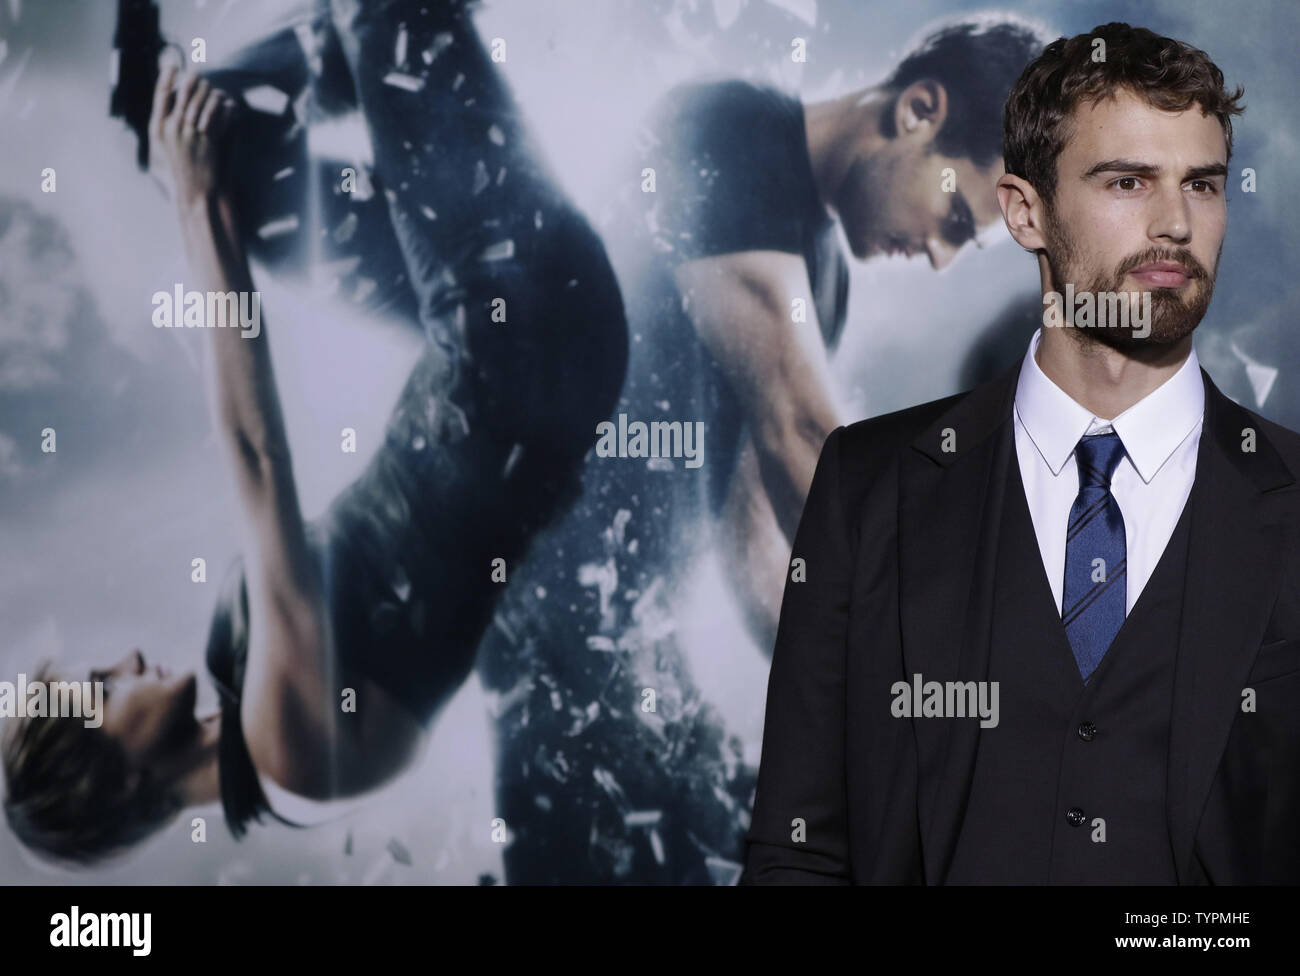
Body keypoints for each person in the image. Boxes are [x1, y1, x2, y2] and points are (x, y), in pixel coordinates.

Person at [1, 0, 627, 865]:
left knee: (193, 129)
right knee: (360, 39)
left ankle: (300, 67)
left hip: (482, 345)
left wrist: (192, 187)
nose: (127, 657)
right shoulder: (291, 756)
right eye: (102, 687)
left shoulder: (249, 713)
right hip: (523, 340)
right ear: (113, 779)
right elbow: (258, 455)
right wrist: (195, 215)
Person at [473, 15, 1050, 883]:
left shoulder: (824, 287)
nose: (938, 257)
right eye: (957, 219)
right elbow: (801, 429)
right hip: (554, 645)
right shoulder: (728, 131)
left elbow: (755, 549)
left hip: (640, 657)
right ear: (918, 110)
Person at [739, 22, 1300, 885]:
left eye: (1202, 184)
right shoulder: (867, 488)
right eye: (1128, 182)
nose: (1177, 223)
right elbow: (799, 853)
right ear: (1026, 211)